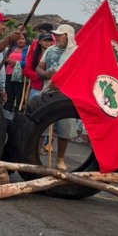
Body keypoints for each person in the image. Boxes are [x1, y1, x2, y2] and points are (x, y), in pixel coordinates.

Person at [36, 24, 79, 171]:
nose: (57, 37)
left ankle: (60, 158)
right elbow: (39, 68)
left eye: (61, 35)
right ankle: (35, 154)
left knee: (65, 128)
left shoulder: (77, 53)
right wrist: (46, 75)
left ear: (69, 36)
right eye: (57, 35)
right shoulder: (50, 50)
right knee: (40, 124)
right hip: (48, 91)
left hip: (67, 95)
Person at [5, 33, 29, 111]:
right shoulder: (12, 48)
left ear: (26, 40)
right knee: (9, 97)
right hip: (9, 74)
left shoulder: (28, 50)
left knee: (20, 98)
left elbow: (28, 62)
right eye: (18, 39)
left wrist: (16, 63)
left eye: (22, 39)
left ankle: (17, 115)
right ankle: (7, 115)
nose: (20, 41)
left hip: (20, 77)